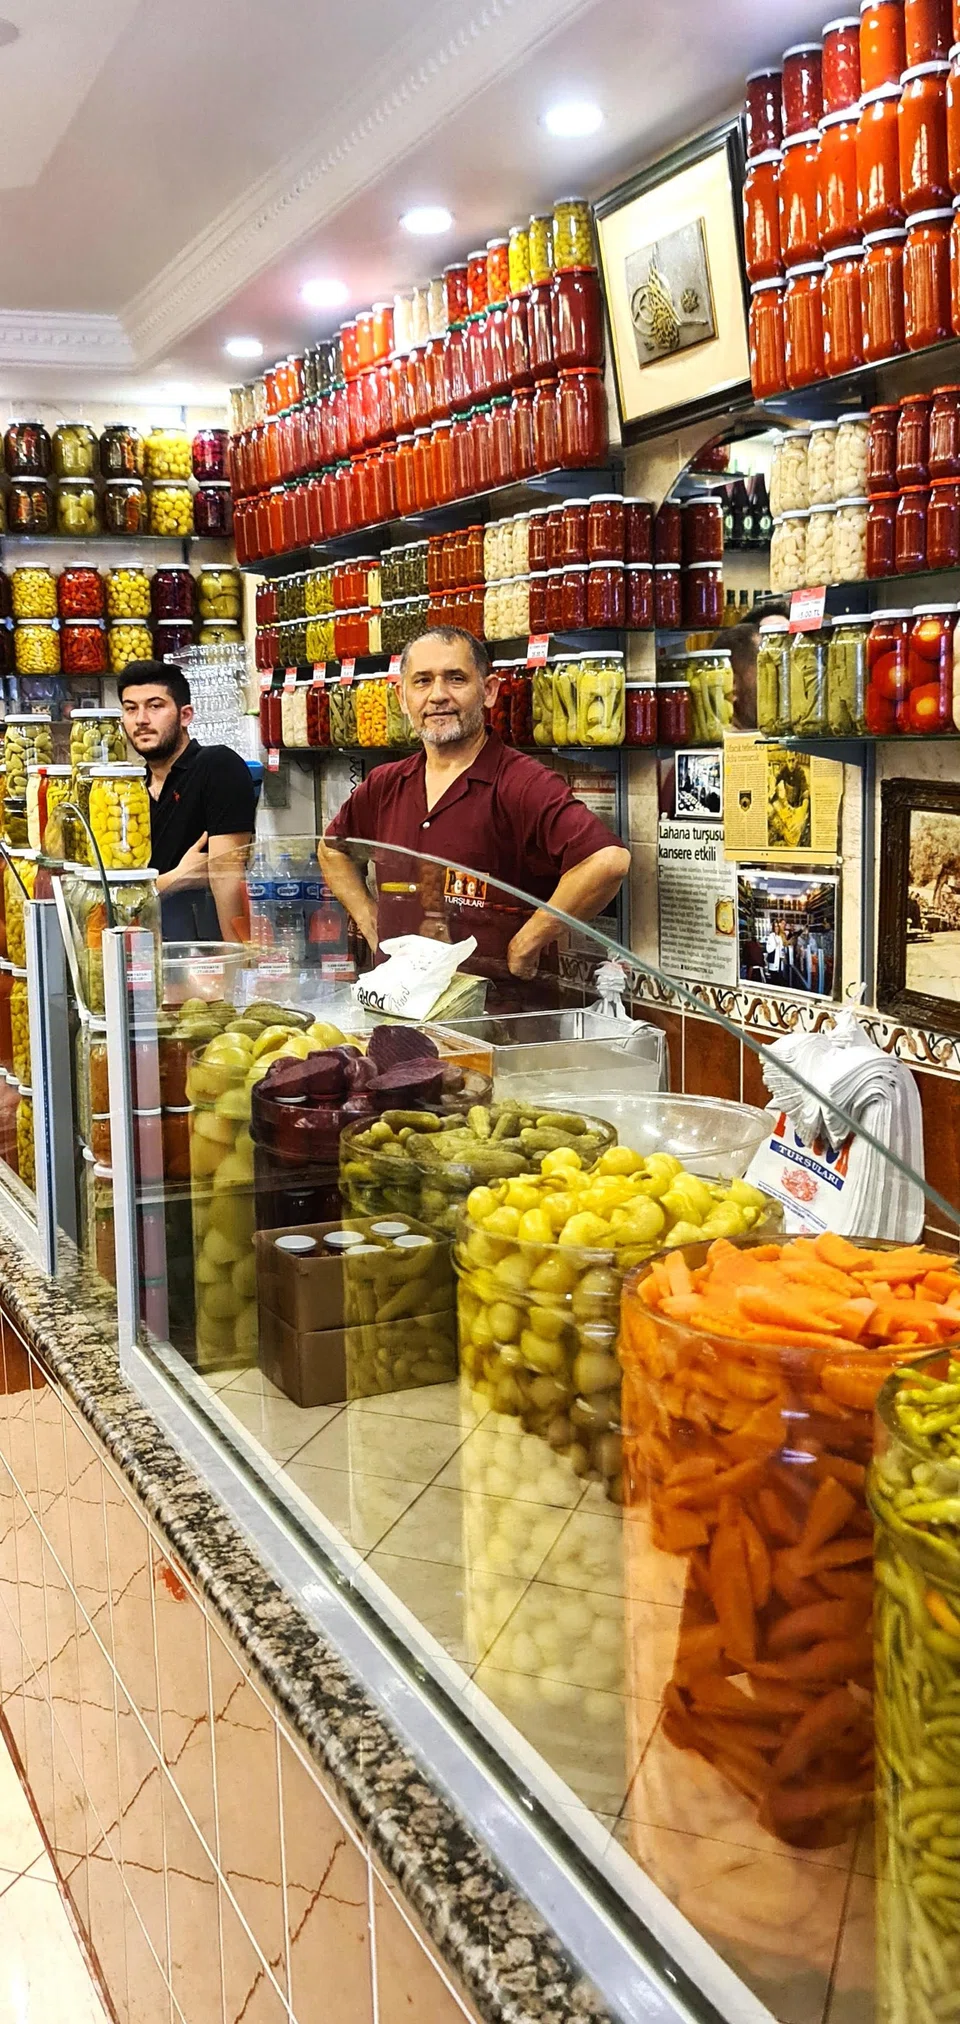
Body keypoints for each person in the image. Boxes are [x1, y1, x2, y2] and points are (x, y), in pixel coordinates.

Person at [317, 626, 630, 980]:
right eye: (422, 681)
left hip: (498, 1018)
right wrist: (370, 920)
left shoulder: (522, 782)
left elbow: (607, 861)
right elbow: (332, 850)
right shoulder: (385, 783)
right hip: (399, 1003)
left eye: (456, 679)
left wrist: (526, 944)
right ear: (402, 699)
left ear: (489, 691)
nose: (437, 696)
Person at [117, 660, 258, 941]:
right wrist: (174, 879)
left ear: (185, 715)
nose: (141, 719)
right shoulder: (125, 791)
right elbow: (110, 896)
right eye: (131, 708)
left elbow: (226, 876)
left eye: (155, 706)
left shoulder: (216, 765)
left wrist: (238, 969)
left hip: (203, 954)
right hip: (140, 951)